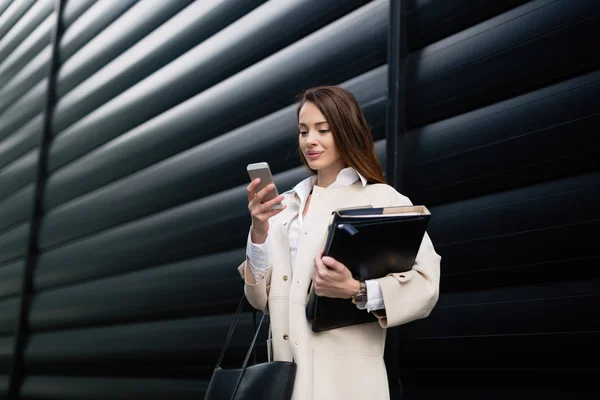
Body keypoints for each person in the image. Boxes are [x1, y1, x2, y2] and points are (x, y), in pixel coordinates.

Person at [237, 86, 441, 400]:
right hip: (283, 383)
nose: (310, 141)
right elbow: (259, 300)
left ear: (346, 131)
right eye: (303, 131)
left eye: (323, 130)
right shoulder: (286, 207)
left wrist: (357, 291)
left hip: (347, 386)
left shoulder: (382, 200)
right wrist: (259, 230)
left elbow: (426, 285)